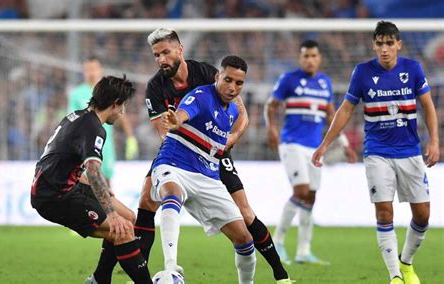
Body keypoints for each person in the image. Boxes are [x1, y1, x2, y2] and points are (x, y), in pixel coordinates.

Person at [135, 28, 290, 283]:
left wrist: (230, 139)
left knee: (245, 215)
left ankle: (280, 273)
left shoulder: (208, 74)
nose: (161, 59)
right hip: (181, 151)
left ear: (180, 50)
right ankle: (148, 271)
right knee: (147, 199)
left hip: (216, 153)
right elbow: (167, 128)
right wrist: (178, 124)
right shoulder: (158, 87)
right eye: (156, 55)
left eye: (166, 52)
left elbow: (241, 115)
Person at [312, 21, 439, 284]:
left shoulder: (413, 69)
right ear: (374, 45)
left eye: (389, 43)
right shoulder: (362, 73)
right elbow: (345, 109)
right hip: (377, 152)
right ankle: (394, 275)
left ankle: (406, 263)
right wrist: (325, 143)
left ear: (398, 45)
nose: (384, 49)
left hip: (410, 151)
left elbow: (427, 106)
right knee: (384, 212)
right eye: (379, 44)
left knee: (423, 215)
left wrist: (434, 141)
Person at [31, 76, 152, 284]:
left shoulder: (77, 116)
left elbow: (63, 160)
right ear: (115, 104)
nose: (122, 112)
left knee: (129, 217)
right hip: (55, 196)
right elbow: (94, 170)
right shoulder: (94, 128)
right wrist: (111, 214)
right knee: (123, 229)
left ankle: (99, 279)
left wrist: (99, 188)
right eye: (122, 106)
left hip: (65, 184)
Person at [152, 55, 257, 284]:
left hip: (208, 175)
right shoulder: (201, 96)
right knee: (171, 194)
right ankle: (170, 268)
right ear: (218, 76)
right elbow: (182, 114)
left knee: (245, 239)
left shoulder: (233, 112)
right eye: (228, 80)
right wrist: (175, 119)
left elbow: (237, 123)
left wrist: (234, 136)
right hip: (175, 163)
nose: (232, 87)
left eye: (239, 83)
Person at [264, 40, 357, 265]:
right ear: (300, 58)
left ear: (319, 58)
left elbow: (331, 116)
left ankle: (303, 250)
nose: (309, 60)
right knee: (301, 190)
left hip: (315, 147)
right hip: (292, 143)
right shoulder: (289, 79)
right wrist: (271, 129)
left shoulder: (324, 83)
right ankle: (277, 241)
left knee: (311, 196)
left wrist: (343, 143)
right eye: (305, 56)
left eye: (313, 56)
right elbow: (271, 106)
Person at [68, 56, 139, 184]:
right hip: (85, 145)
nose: (91, 72)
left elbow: (122, 115)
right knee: (86, 183)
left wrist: (130, 138)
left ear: (100, 70)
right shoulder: (76, 94)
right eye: (88, 69)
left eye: (94, 69)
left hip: (106, 145)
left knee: (106, 183)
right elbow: (72, 119)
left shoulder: (109, 90)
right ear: (83, 71)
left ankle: (106, 204)